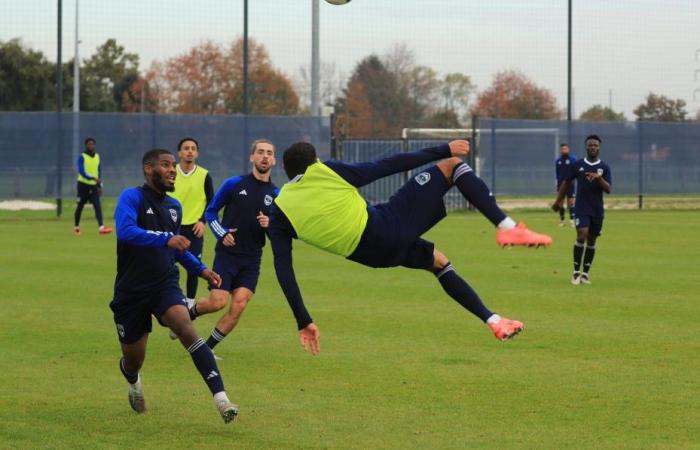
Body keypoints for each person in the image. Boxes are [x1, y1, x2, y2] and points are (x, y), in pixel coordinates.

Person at [267, 140, 553, 355]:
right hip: (385, 227)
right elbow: (389, 165)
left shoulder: (279, 211)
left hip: (373, 256)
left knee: (439, 262)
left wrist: (303, 319)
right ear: (315, 160)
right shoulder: (326, 171)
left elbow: (283, 269)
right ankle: (507, 228)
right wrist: (443, 148)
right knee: (452, 166)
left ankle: (493, 320)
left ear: (284, 170)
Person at [110, 148, 238, 423]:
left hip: (164, 284)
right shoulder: (131, 197)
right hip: (132, 290)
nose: (172, 170)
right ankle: (132, 380)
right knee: (134, 359)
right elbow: (126, 231)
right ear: (148, 168)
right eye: (166, 165)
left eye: (173, 166)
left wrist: (202, 270)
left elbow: (177, 249)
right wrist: (166, 238)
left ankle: (222, 399)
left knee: (185, 328)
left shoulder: (174, 207)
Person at [182, 139, 278, 356]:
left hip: (252, 258)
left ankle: (205, 350)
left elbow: (279, 233)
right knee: (218, 302)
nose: (264, 156)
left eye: (269, 153)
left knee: (239, 306)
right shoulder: (234, 184)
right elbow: (211, 212)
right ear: (251, 157)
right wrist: (221, 233)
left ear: (274, 160)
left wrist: (270, 225)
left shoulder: (276, 194)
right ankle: (187, 314)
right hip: (228, 255)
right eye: (260, 152)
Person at [552, 135, 612, 285]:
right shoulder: (577, 165)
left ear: (599, 148)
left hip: (597, 209)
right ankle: (575, 272)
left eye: (595, 145)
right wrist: (558, 201)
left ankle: (585, 274)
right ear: (586, 147)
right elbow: (566, 183)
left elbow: (608, 189)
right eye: (590, 145)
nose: (593, 147)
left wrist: (598, 178)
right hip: (581, 207)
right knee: (582, 234)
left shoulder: (604, 167)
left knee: (592, 239)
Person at [168, 137, 214, 303]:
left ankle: (189, 304)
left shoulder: (204, 175)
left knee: (194, 267)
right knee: (164, 266)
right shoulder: (171, 172)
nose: (190, 151)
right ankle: (160, 300)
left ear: (197, 153)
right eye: (186, 148)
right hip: (172, 228)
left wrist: (203, 221)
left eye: (193, 148)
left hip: (194, 229)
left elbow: (212, 201)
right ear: (179, 153)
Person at [74, 137, 112, 235]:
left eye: (92, 144)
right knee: (80, 206)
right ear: (86, 145)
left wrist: (100, 185)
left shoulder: (97, 156)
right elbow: (81, 171)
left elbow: (98, 172)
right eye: (89, 144)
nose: (90, 146)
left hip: (94, 186)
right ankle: (76, 227)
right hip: (82, 185)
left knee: (97, 205)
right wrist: (92, 178)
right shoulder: (82, 157)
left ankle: (101, 227)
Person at [555, 143, 576, 227]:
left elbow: (575, 171)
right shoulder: (558, 161)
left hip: (570, 184)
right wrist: (557, 184)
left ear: (568, 150)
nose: (564, 150)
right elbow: (557, 174)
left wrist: (573, 179)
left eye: (566, 149)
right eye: (563, 149)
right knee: (560, 203)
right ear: (561, 150)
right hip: (561, 185)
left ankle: (572, 220)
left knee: (571, 202)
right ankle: (562, 220)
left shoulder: (573, 159)